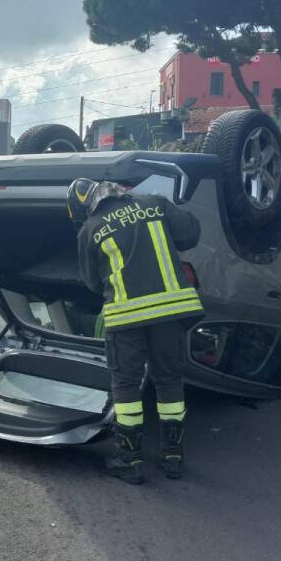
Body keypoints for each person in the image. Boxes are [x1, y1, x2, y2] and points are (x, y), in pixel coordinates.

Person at [68, 178, 203, 484]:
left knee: (126, 386)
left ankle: (129, 460)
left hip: (125, 316)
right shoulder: (154, 203)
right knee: (169, 381)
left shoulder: (89, 229)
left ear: (86, 205)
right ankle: (173, 458)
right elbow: (191, 234)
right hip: (171, 311)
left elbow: (91, 283)